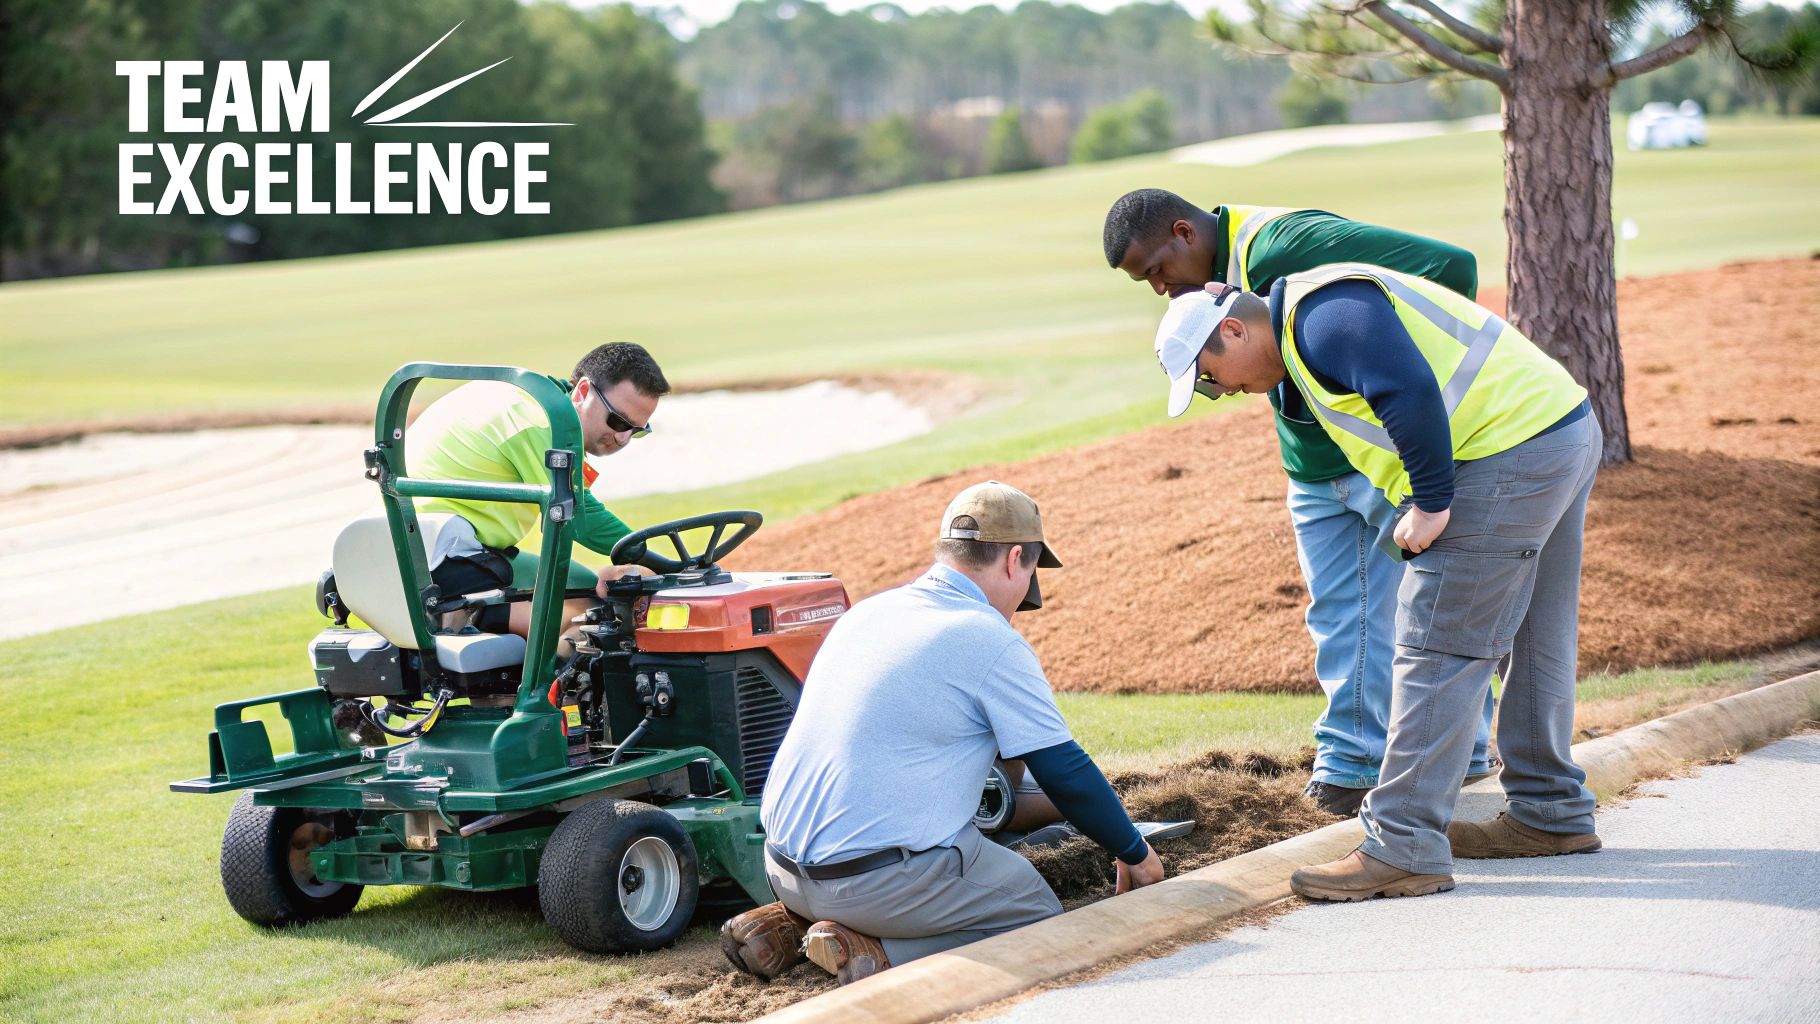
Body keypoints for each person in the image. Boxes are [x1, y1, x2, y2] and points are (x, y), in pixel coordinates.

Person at [1150, 263, 1600, 902]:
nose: (1221, 392)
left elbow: (1406, 387)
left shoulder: (1318, 319)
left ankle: (1403, 846)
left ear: (1232, 330)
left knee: (1435, 642)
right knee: (1537, 629)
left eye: (1209, 378)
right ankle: (1549, 812)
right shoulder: (1313, 317)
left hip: (1503, 452)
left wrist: (1431, 502)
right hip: (1554, 427)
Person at [1103, 188, 1499, 815]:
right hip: (1312, 470)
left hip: (1376, 457)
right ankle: (1351, 764)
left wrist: (1399, 394)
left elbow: (1451, 265)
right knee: (1343, 620)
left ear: (1184, 234)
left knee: (1429, 612)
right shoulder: (1210, 291)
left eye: (1155, 271)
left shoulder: (1287, 245)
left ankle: (1468, 763)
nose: (1159, 290)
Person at [720, 481, 1166, 985]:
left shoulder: (867, 613)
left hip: (780, 868)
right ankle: (874, 951)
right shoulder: (988, 640)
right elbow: (1063, 771)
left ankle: (784, 926)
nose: (1025, 598)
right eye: (1030, 577)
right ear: (1015, 557)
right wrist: (1135, 851)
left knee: (937, 851)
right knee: (1036, 913)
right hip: (874, 887)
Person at [405, 342, 666, 636]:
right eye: (618, 421)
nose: (622, 438)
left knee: (582, 584)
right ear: (581, 392)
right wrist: (656, 561)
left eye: (636, 430)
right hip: (442, 559)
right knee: (598, 617)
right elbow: (581, 518)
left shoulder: (533, 401)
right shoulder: (540, 423)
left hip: (441, 544)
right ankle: (538, 678)